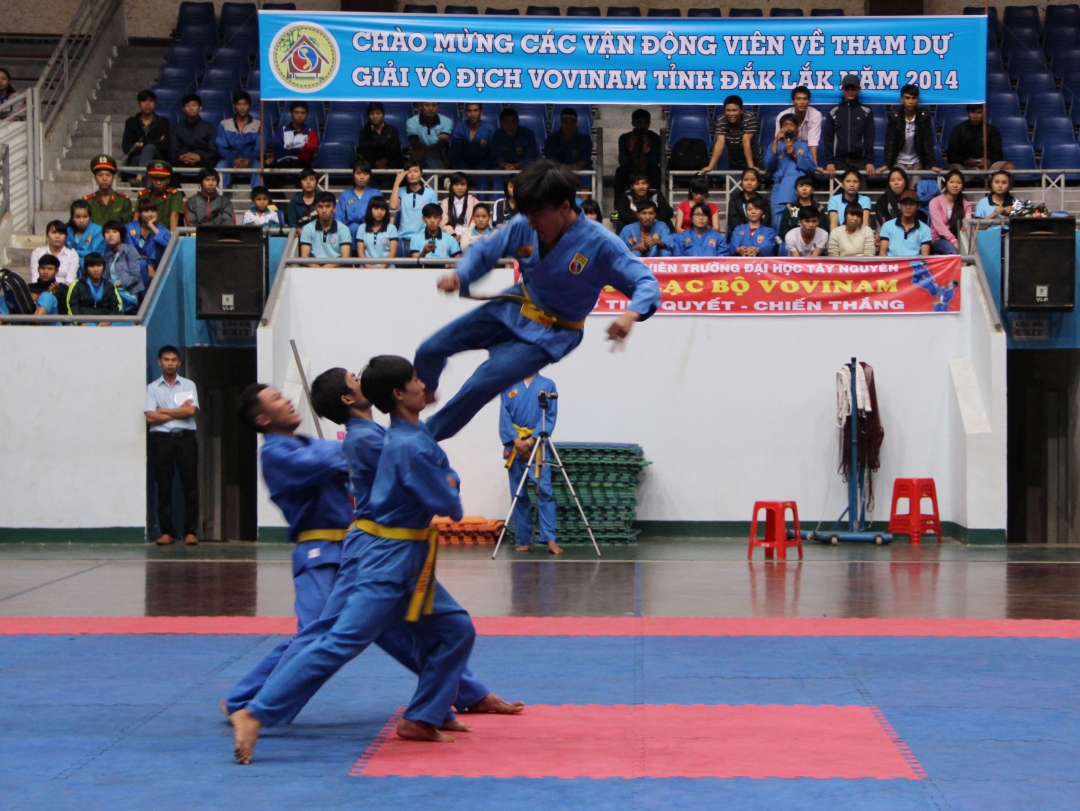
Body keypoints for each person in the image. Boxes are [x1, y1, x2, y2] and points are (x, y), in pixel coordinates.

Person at [223, 372, 521, 736]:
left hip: (369, 550)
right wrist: (398, 446)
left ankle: (455, 697)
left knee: (412, 630)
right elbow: (339, 457)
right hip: (323, 554)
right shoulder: (280, 452)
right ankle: (245, 703)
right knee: (322, 634)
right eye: (276, 399)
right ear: (262, 418)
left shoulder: (339, 440)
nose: (286, 400)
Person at [413, 160, 661, 442]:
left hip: (552, 333)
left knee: (481, 383)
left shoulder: (602, 244)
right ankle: (424, 393)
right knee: (430, 349)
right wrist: (462, 274)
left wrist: (630, 314)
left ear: (564, 206)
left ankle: (422, 438)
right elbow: (485, 251)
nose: (531, 221)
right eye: (527, 213)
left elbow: (646, 282)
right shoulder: (525, 224)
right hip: (514, 306)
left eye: (538, 214)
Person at [500, 375, 561, 554]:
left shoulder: (547, 384)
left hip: (538, 444)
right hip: (515, 444)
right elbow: (504, 416)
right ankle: (523, 539)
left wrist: (531, 441)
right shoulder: (509, 383)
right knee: (518, 494)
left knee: (545, 491)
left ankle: (550, 539)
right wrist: (517, 442)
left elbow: (549, 415)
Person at [145, 345, 199, 545]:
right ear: (159, 362)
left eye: (173, 360)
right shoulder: (152, 388)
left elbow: (191, 412)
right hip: (162, 440)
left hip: (186, 439)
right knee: (164, 486)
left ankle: (190, 532)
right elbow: (150, 417)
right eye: (166, 360)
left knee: (190, 485)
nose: (170, 363)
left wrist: (163, 410)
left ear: (179, 362)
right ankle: (167, 532)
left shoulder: (188, 385)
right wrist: (178, 411)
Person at [765, 113, 818, 233]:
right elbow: (768, 164)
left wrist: (795, 155)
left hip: (798, 193)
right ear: (781, 128)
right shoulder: (775, 145)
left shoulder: (804, 146)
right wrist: (775, 141)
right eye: (785, 125)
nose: (788, 127)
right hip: (780, 192)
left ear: (797, 128)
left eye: (792, 124)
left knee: (798, 225)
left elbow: (811, 167)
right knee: (777, 225)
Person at [824, 75, 876, 178]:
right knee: (838, 189)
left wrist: (869, 161)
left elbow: (869, 138)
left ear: (859, 89)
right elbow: (828, 138)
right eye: (847, 88)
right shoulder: (833, 111)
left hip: (860, 161)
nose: (850, 91)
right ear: (842, 89)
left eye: (853, 88)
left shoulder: (866, 111)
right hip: (838, 162)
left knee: (861, 189)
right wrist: (830, 161)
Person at [881, 84, 939, 174]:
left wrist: (932, 164)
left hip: (917, 161)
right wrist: (887, 164)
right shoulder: (894, 116)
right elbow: (891, 141)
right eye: (907, 98)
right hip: (898, 161)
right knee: (900, 182)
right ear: (902, 99)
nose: (910, 101)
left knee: (916, 183)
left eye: (913, 98)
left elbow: (927, 141)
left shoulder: (924, 115)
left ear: (918, 99)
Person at [121, 89, 172, 186]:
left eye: (150, 101)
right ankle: (148, 193)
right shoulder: (131, 122)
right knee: (149, 161)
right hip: (136, 159)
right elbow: (126, 148)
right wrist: (155, 142)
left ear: (155, 104)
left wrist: (142, 145)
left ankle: (139, 178)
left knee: (150, 149)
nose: (147, 104)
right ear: (139, 104)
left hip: (158, 158)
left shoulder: (163, 122)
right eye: (144, 101)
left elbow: (166, 146)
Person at [702, 95, 763, 174]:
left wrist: (751, 167)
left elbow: (746, 141)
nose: (731, 113)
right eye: (728, 110)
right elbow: (720, 143)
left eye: (734, 110)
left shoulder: (749, 118)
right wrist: (711, 166)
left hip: (754, 160)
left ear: (741, 110)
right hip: (734, 161)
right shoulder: (721, 120)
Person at [389, 162, 438, 255]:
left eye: (415, 171)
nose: (412, 174)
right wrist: (397, 182)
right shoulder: (401, 191)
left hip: (423, 238)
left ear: (421, 173)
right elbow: (393, 206)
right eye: (409, 172)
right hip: (403, 238)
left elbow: (434, 216)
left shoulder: (430, 193)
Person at [216, 90, 261, 189]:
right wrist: (233, 160)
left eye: (245, 104)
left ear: (250, 105)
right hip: (230, 161)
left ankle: (257, 198)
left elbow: (259, 149)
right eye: (239, 104)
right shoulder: (224, 124)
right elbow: (222, 148)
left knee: (258, 166)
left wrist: (249, 159)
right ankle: (218, 197)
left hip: (251, 161)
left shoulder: (259, 125)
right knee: (221, 165)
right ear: (234, 105)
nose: (242, 107)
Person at [615, 108, 661, 199]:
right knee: (620, 171)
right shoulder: (624, 138)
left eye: (646, 122)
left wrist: (647, 149)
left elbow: (655, 161)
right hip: (631, 169)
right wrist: (630, 149)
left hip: (648, 169)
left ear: (649, 123)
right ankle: (619, 205)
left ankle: (655, 201)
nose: (643, 126)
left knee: (656, 171)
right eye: (639, 122)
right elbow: (622, 162)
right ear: (633, 123)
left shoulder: (655, 138)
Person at [125, 198, 171, 288]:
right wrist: (147, 266)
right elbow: (131, 251)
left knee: (157, 243)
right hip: (135, 264)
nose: (150, 214)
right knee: (142, 265)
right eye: (146, 211)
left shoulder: (162, 229)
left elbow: (169, 245)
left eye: (153, 211)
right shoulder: (129, 227)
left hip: (158, 265)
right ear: (139, 213)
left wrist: (152, 226)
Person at [299, 191, 352, 267]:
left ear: (334, 209)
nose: (324, 210)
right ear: (316, 209)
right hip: (314, 267)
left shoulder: (343, 229)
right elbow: (304, 257)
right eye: (320, 207)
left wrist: (329, 267)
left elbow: (345, 257)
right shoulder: (307, 228)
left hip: (337, 267)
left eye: (328, 206)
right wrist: (317, 268)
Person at [774, 86, 823, 167]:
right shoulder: (782, 115)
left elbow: (813, 143)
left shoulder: (815, 115)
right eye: (798, 99)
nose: (802, 102)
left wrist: (814, 166)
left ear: (809, 101)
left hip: (806, 152)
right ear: (793, 101)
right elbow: (780, 140)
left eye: (805, 99)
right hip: (786, 151)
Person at [449, 102, 495, 189]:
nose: (472, 114)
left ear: (481, 112)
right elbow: (455, 151)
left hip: (482, 165)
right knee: (460, 175)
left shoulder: (489, 129)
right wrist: (459, 166)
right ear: (466, 113)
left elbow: (491, 153)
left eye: (475, 110)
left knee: (483, 174)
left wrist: (488, 167)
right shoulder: (459, 127)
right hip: (463, 164)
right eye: (469, 111)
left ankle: (482, 198)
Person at [66, 252, 123, 320]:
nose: (96, 269)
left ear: (103, 267)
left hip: (105, 321)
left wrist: (108, 321)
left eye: (99, 265)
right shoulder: (77, 285)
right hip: (84, 321)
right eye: (92, 266)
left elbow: (116, 305)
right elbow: (72, 305)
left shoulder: (110, 286)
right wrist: (80, 322)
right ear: (86, 268)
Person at [170, 94, 218, 174]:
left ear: (200, 108)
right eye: (187, 105)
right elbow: (173, 151)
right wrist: (181, 157)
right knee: (170, 164)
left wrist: (199, 157)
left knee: (211, 163)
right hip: (182, 160)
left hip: (202, 160)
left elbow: (213, 152)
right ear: (183, 109)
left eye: (194, 105)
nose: (191, 108)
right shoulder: (176, 129)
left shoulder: (209, 129)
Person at [488, 108, 539, 183]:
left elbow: (530, 158)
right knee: (497, 173)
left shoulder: (528, 134)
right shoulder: (497, 135)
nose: (510, 126)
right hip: (504, 168)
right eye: (506, 123)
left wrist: (515, 166)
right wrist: (505, 166)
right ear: (501, 123)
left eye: (513, 122)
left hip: (523, 168)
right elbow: (497, 157)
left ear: (518, 121)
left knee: (530, 171)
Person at [102, 220, 144, 309]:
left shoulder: (130, 251)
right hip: (111, 291)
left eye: (114, 232)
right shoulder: (107, 254)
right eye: (107, 232)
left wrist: (120, 283)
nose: (110, 235)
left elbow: (136, 276)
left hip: (127, 293)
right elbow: (104, 277)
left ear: (121, 234)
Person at [335, 159, 380, 243]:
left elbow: (381, 215)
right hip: (350, 232)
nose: (362, 177)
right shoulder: (345, 194)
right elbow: (339, 218)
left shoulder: (376, 193)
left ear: (370, 176)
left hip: (371, 230)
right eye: (358, 173)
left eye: (365, 174)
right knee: (354, 228)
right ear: (353, 175)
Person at [947, 104, 1003, 170]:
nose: (975, 116)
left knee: (1008, 167)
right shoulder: (958, 130)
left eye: (979, 112)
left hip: (988, 166)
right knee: (951, 169)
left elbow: (998, 153)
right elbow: (952, 154)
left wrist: (988, 161)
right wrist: (964, 162)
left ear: (984, 113)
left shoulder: (992, 130)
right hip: (964, 166)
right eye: (972, 112)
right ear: (967, 113)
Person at [878, 189, 932, 257]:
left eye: (911, 204)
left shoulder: (925, 229)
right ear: (900, 205)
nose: (908, 207)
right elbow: (882, 254)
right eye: (905, 204)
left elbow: (925, 257)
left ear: (917, 206)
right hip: (893, 263)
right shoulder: (887, 226)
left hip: (914, 263)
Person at [930, 169, 971, 255]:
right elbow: (939, 226)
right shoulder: (935, 202)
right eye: (951, 182)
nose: (955, 185)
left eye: (959, 183)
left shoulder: (966, 205)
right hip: (939, 238)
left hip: (960, 238)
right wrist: (953, 240)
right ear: (946, 183)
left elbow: (966, 225)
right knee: (954, 251)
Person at [84, 155, 133, 226]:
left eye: (108, 175)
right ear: (95, 178)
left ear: (113, 178)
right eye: (100, 175)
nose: (104, 179)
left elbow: (127, 227)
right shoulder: (88, 202)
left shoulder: (123, 201)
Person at [138, 160, 185, 232]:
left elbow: (174, 216)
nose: (158, 182)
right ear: (150, 179)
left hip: (167, 232)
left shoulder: (174, 194)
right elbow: (137, 216)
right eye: (155, 178)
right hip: (146, 232)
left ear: (168, 180)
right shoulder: (144, 194)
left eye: (162, 179)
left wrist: (171, 237)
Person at [359, 101, 404, 175]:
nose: (375, 116)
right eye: (371, 114)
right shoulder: (364, 132)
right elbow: (365, 151)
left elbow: (395, 149)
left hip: (390, 163)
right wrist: (376, 162)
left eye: (378, 113)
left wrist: (385, 161)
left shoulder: (392, 130)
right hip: (371, 165)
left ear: (383, 114)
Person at [270, 100, 318, 169]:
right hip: (281, 165)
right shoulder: (280, 132)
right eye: (296, 112)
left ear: (306, 115)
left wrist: (286, 153)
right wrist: (299, 150)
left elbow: (307, 157)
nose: (299, 116)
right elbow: (277, 154)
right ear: (291, 114)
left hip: (301, 166)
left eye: (303, 113)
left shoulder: (312, 134)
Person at [777, 174, 828, 239]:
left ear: (812, 190)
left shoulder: (818, 208)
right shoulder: (790, 207)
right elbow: (784, 227)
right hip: (793, 240)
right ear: (796, 191)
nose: (804, 189)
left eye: (807, 186)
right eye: (801, 186)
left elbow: (822, 228)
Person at [30, 220, 79, 285]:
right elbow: (35, 278)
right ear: (47, 235)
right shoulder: (38, 253)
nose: (57, 236)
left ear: (66, 236)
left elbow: (70, 280)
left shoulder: (72, 255)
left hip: (64, 289)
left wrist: (59, 290)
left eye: (61, 233)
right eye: (53, 232)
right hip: (41, 288)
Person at [544, 107, 593, 172]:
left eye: (572, 122)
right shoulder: (551, 138)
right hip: (557, 171)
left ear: (577, 123)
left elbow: (584, 160)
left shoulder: (585, 138)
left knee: (587, 171)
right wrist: (563, 168)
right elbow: (551, 159)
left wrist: (572, 168)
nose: (569, 126)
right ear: (560, 123)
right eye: (565, 122)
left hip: (580, 170)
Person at [407, 101, 453, 170]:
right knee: (429, 155)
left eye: (434, 105)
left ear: (438, 106)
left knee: (430, 155)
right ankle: (439, 175)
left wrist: (423, 149)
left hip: (440, 155)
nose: (431, 108)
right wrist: (424, 150)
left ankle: (437, 175)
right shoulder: (412, 121)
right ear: (421, 106)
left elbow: (440, 145)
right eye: (427, 105)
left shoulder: (447, 121)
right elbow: (416, 147)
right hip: (418, 157)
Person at [726, 167, 769, 238]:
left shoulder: (763, 201)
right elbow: (733, 222)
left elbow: (766, 221)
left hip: (759, 236)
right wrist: (753, 222)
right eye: (746, 180)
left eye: (753, 180)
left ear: (758, 183)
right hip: (739, 236)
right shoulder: (735, 200)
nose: (749, 183)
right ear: (741, 182)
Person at [355, 196, 398, 266]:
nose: (379, 212)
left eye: (383, 209)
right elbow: (360, 252)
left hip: (387, 268)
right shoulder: (362, 228)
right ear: (370, 210)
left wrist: (382, 268)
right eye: (376, 208)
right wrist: (369, 268)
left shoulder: (392, 228)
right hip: (366, 268)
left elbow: (392, 253)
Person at [65, 200, 106, 266]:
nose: (81, 220)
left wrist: (72, 253)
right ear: (72, 217)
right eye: (77, 217)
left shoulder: (98, 230)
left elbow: (95, 253)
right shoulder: (67, 231)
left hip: (92, 266)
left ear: (90, 217)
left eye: (85, 217)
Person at [440, 172, 478, 238]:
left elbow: (476, 221)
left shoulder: (474, 201)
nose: (459, 188)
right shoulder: (445, 202)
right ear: (451, 186)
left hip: (470, 236)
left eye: (463, 184)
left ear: (467, 186)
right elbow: (443, 222)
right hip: (450, 236)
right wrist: (453, 235)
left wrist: (466, 235)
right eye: (456, 184)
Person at [28, 255, 63, 321]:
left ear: (56, 271)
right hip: (29, 318)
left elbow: (63, 311)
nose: (45, 272)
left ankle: (36, 322)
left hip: (53, 322)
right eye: (43, 268)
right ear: (38, 269)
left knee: (47, 296)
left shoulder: (61, 288)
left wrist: (53, 295)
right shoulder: (29, 288)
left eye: (50, 269)